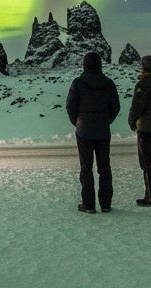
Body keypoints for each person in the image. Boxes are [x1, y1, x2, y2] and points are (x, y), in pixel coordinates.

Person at [66, 51, 120, 214]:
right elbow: (115, 107)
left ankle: (89, 205)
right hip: (103, 130)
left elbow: (70, 106)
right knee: (104, 167)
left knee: (86, 167)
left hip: (84, 130)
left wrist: (77, 122)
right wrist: (106, 120)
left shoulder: (78, 82)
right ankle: (106, 204)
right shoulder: (108, 83)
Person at [127, 55, 151, 207]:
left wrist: (131, 121)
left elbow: (137, 106)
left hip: (145, 127)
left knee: (147, 163)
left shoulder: (143, 84)